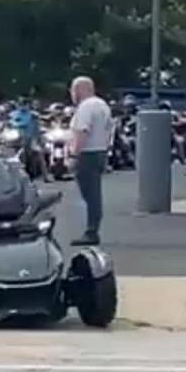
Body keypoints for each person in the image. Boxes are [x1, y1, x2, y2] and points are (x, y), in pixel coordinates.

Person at [68, 76, 113, 246]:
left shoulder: (85, 107)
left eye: (73, 90)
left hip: (87, 153)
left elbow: (82, 132)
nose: (72, 94)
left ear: (80, 89)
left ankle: (91, 231)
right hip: (100, 151)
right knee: (94, 193)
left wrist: (74, 155)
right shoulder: (102, 105)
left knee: (90, 195)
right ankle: (93, 228)